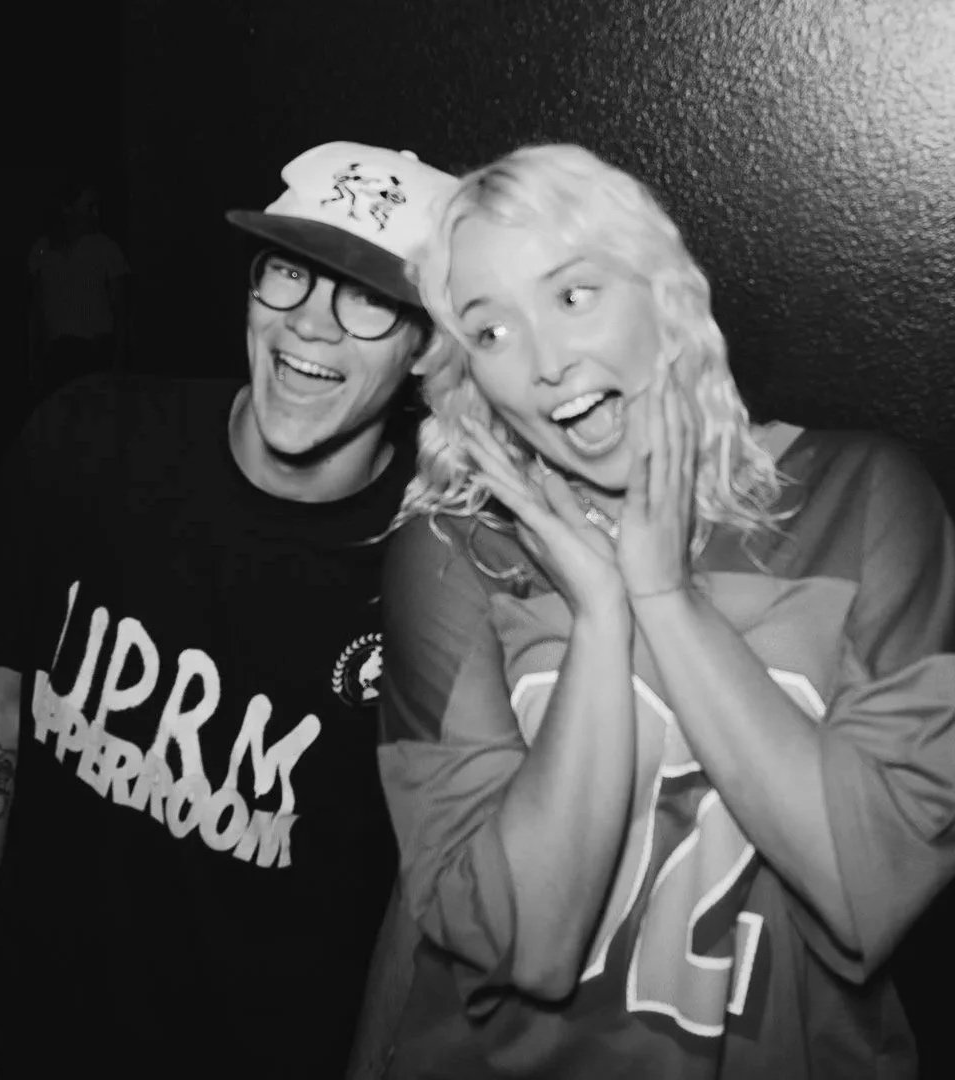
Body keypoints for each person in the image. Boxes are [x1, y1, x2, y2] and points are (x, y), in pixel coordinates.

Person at [374, 144, 955, 1078]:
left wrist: (662, 595)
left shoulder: (864, 496)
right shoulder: (452, 551)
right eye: (489, 331)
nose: (548, 363)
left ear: (663, 293)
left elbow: (865, 892)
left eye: (572, 295)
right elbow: (533, 940)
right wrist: (601, 613)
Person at [0, 140, 457, 1080]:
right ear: (250, 288)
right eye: (290, 273)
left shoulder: (438, 571)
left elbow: (420, 888)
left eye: (368, 296)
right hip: (26, 1029)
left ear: (426, 345)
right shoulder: (88, 438)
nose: (310, 325)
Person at [26, 180, 130, 400]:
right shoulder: (43, 249)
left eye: (97, 207)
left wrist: (118, 362)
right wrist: (33, 358)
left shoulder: (106, 248)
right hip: (57, 356)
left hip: (96, 352)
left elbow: (121, 310)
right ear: (67, 208)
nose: (96, 214)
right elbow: (36, 308)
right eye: (89, 206)